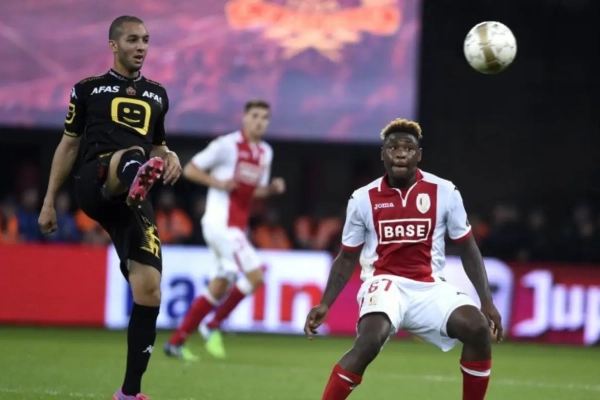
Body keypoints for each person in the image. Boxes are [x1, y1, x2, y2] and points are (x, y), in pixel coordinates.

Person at [304, 119, 503, 400]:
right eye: (393, 148)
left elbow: (468, 248)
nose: (400, 153)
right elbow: (347, 257)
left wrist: (487, 301)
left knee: (478, 328)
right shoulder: (362, 199)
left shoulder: (445, 191)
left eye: (408, 148)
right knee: (369, 341)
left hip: (429, 288)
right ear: (382, 154)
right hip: (384, 284)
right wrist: (326, 302)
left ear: (418, 155)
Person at [37, 15, 182, 400]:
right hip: (95, 181)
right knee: (132, 155)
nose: (141, 47)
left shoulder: (158, 95)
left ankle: (129, 393)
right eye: (133, 40)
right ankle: (134, 176)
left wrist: (170, 156)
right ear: (114, 45)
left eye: (146, 40)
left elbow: (159, 145)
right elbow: (69, 144)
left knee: (149, 289)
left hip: (133, 199)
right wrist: (49, 201)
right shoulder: (87, 89)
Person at [164, 99, 285, 360]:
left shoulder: (265, 152)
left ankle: (176, 342)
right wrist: (218, 183)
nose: (259, 122)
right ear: (244, 118)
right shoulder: (226, 145)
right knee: (248, 274)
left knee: (225, 283)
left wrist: (271, 189)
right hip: (219, 223)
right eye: (255, 116)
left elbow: (253, 192)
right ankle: (213, 324)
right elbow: (190, 169)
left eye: (264, 117)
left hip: (236, 228)